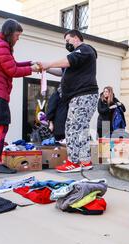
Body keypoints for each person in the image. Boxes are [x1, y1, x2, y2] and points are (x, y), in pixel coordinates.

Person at [0, 19, 40, 174]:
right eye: (17, 35)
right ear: (10, 33)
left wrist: (30, 63)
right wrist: (32, 69)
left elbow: (12, 64)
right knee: (1, 126)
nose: (18, 39)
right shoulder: (1, 45)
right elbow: (12, 71)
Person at [40, 29, 99, 173]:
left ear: (76, 38)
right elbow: (62, 71)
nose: (66, 44)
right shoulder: (78, 59)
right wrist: (46, 69)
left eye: (68, 40)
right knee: (82, 129)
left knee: (72, 127)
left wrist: (48, 63)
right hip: (83, 96)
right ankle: (85, 161)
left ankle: (73, 161)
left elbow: (68, 60)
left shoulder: (85, 50)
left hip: (82, 96)